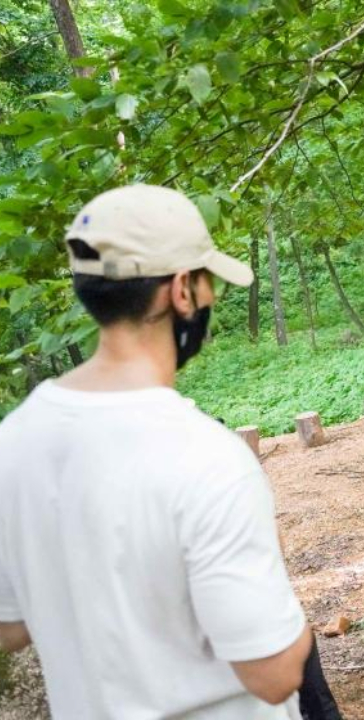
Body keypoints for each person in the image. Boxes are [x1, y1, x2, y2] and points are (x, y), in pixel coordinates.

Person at [0, 185, 314, 719]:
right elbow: (273, 672)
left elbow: (8, 627)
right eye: (208, 278)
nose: (212, 295)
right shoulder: (205, 458)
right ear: (181, 292)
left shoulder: (14, 440)